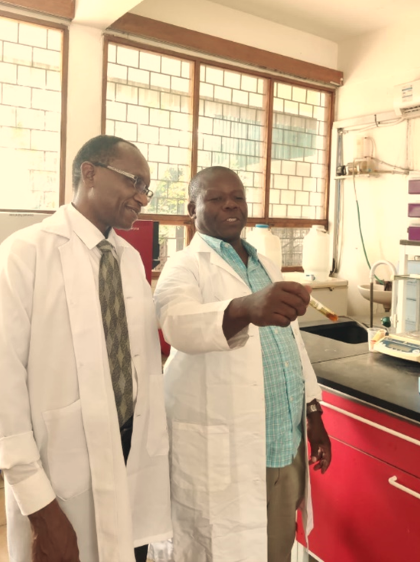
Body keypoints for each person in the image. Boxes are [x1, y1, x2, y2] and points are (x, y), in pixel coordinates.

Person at [0, 135, 171, 562]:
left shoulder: (128, 259)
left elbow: (139, 362)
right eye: (134, 181)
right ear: (89, 173)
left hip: (132, 458)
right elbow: (0, 394)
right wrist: (41, 511)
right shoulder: (22, 256)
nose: (142, 196)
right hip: (61, 473)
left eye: (146, 188)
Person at [154, 166, 331, 562]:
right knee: (223, 550)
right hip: (227, 448)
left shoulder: (266, 264)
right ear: (191, 209)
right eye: (215, 198)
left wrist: (313, 411)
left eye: (237, 196)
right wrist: (245, 308)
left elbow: (293, 344)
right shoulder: (183, 267)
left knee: (276, 548)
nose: (231, 204)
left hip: (285, 441)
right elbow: (177, 325)